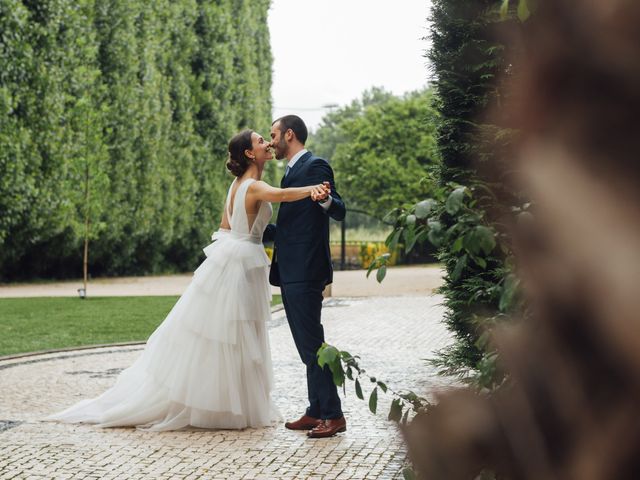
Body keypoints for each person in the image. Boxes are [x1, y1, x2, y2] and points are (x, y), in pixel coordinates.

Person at [46, 129, 330, 431]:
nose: (267, 144)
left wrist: (240, 244)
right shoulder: (254, 185)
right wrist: (314, 188)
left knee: (231, 335)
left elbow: (225, 227)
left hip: (236, 259)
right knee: (232, 335)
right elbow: (283, 195)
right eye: (261, 141)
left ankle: (227, 404)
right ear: (249, 153)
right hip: (240, 264)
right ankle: (221, 406)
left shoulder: (237, 185)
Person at [264, 115, 347, 438]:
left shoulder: (315, 165)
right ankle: (315, 411)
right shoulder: (289, 173)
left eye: (273, 134)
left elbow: (338, 209)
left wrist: (324, 198)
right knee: (306, 345)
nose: (271, 141)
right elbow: (290, 227)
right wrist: (252, 231)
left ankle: (333, 415)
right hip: (291, 269)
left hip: (306, 269)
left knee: (313, 344)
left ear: (289, 134)